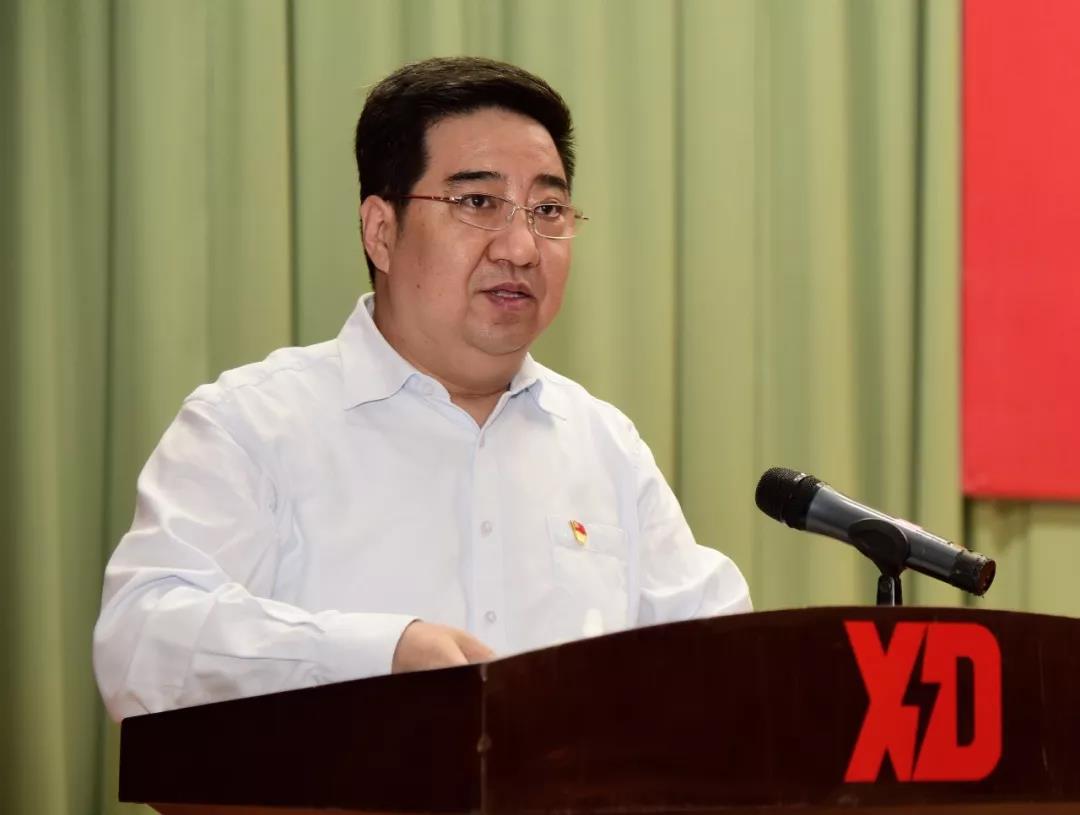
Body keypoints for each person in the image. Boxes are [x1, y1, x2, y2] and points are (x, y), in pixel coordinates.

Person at [92, 56, 751, 721]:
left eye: (548, 209)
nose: (522, 247)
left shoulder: (605, 445)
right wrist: (378, 655)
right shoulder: (251, 424)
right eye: (478, 203)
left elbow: (720, 660)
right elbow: (141, 643)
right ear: (381, 231)